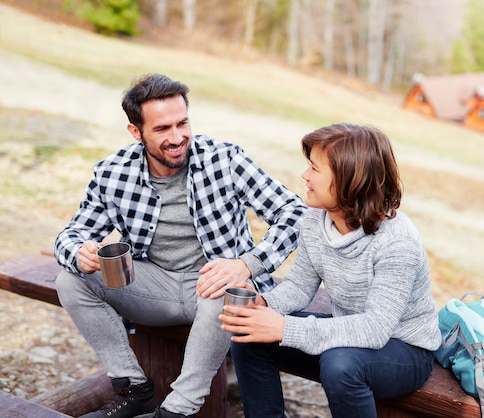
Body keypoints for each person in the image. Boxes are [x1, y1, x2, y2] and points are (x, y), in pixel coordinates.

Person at [54, 73, 307, 418]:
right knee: (69, 279)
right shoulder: (113, 174)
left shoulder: (225, 160)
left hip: (216, 291)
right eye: (162, 129)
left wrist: (247, 263)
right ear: (136, 132)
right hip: (153, 288)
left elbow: (294, 212)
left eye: (182, 123)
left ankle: (176, 411)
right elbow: (70, 235)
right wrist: (79, 253)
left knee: (230, 286)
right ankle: (133, 388)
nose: (177, 138)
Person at [220, 123, 442, 418]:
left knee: (340, 365)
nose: (305, 175)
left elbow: (375, 329)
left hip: (404, 351)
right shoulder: (315, 220)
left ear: (350, 179)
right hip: (346, 335)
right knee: (251, 335)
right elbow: (299, 286)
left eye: (314, 168)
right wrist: (264, 304)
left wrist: (286, 328)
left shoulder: (397, 241)